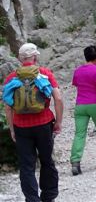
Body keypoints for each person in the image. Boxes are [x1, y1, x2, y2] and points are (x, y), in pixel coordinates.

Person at [2, 42, 64, 202]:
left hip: (21, 127)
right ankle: (48, 196)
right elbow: (58, 98)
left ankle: (32, 199)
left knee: (27, 166)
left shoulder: (12, 77)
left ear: (21, 59)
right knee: (46, 160)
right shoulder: (44, 73)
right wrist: (58, 122)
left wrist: (12, 129)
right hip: (44, 124)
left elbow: (8, 107)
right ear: (35, 56)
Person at [70, 45, 96, 175]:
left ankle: (76, 162)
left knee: (79, 134)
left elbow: (77, 85)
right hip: (95, 104)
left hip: (80, 106)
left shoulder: (77, 71)